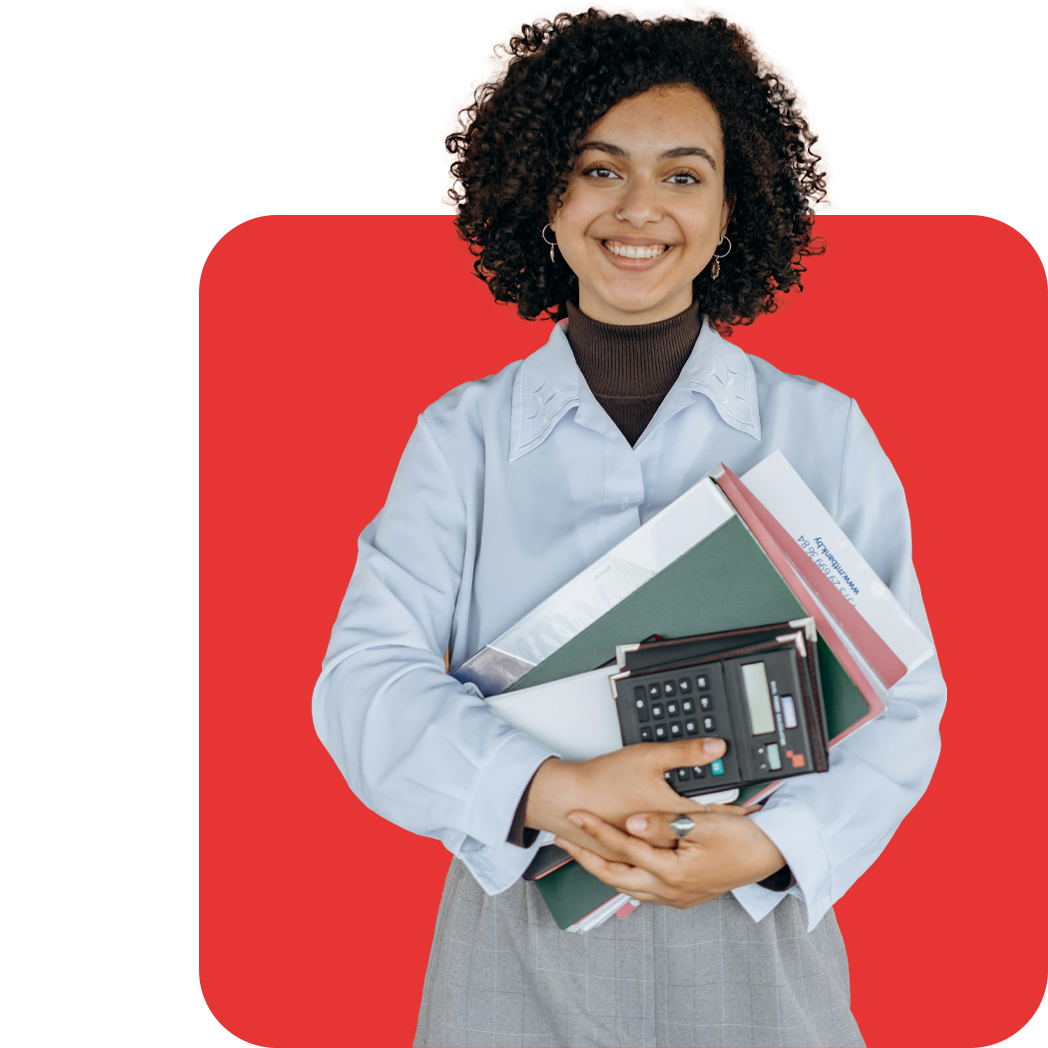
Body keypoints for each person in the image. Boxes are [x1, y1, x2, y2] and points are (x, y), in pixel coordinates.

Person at [312, 10, 946, 1047]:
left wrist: (774, 848)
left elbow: (904, 699)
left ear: (733, 205)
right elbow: (360, 679)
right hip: (519, 941)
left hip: (757, 940)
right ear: (544, 197)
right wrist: (545, 789)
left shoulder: (821, 433)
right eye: (599, 170)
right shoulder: (460, 439)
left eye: (683, 175)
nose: (639, 209)